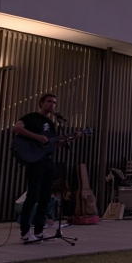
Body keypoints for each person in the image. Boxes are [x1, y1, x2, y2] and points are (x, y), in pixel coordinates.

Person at [12, 93, 79, 243]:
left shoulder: (53, 124)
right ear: (41, 103)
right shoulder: (31, 118)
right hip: (35, 162)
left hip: (48, 162)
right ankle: (24, 232)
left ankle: (39, 231)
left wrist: (71, 138)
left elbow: (53, 144)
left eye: (54, 102)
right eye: (49, 101)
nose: (52, 105)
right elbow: (16, 128)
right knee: (33, 196)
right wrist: (37, 137)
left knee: (45, 197)